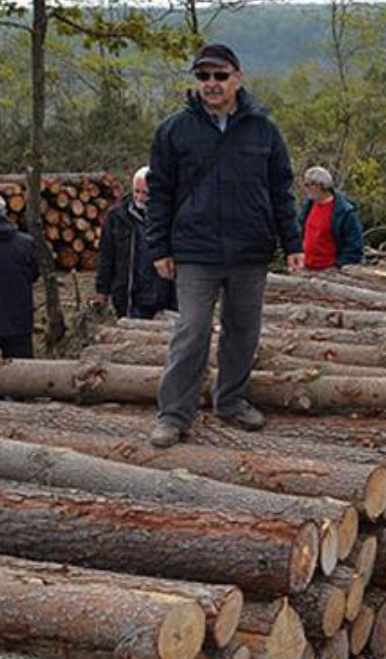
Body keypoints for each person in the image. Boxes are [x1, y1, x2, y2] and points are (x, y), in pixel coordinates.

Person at [145, 43, 304, 448]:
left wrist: (292, 242)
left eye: (219, 76)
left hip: (250, 248)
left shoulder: (263, 129)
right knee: (192, 329)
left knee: (243, 331)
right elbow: (159, 193)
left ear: (238, 77)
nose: (211, 84)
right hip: (195, 249)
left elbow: (280, 190)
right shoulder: (174, 130)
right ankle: (174, 414)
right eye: (203, 76)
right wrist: (158, 247)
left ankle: (230, 400)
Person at [94, 166, 175, 318]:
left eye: (145, 193)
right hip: (131, 292)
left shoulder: (170, 216)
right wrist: (102, 290)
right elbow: (106, 256)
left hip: (164, 291)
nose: (140, 197)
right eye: (136, 191)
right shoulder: (117, 217)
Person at [298, 166, 365, 270]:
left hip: (330, 272)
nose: (305, 188)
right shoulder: (309, 206)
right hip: (306, 267)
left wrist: (337, 266)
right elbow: (300, 231)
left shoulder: (345, 212)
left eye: (307, 185)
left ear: (319, 185)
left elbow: (355, 246)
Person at [0, 195, 39, 359]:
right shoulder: (26, 243)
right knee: (25, 375)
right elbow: (34, 274)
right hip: (19, 321)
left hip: (17, 321)